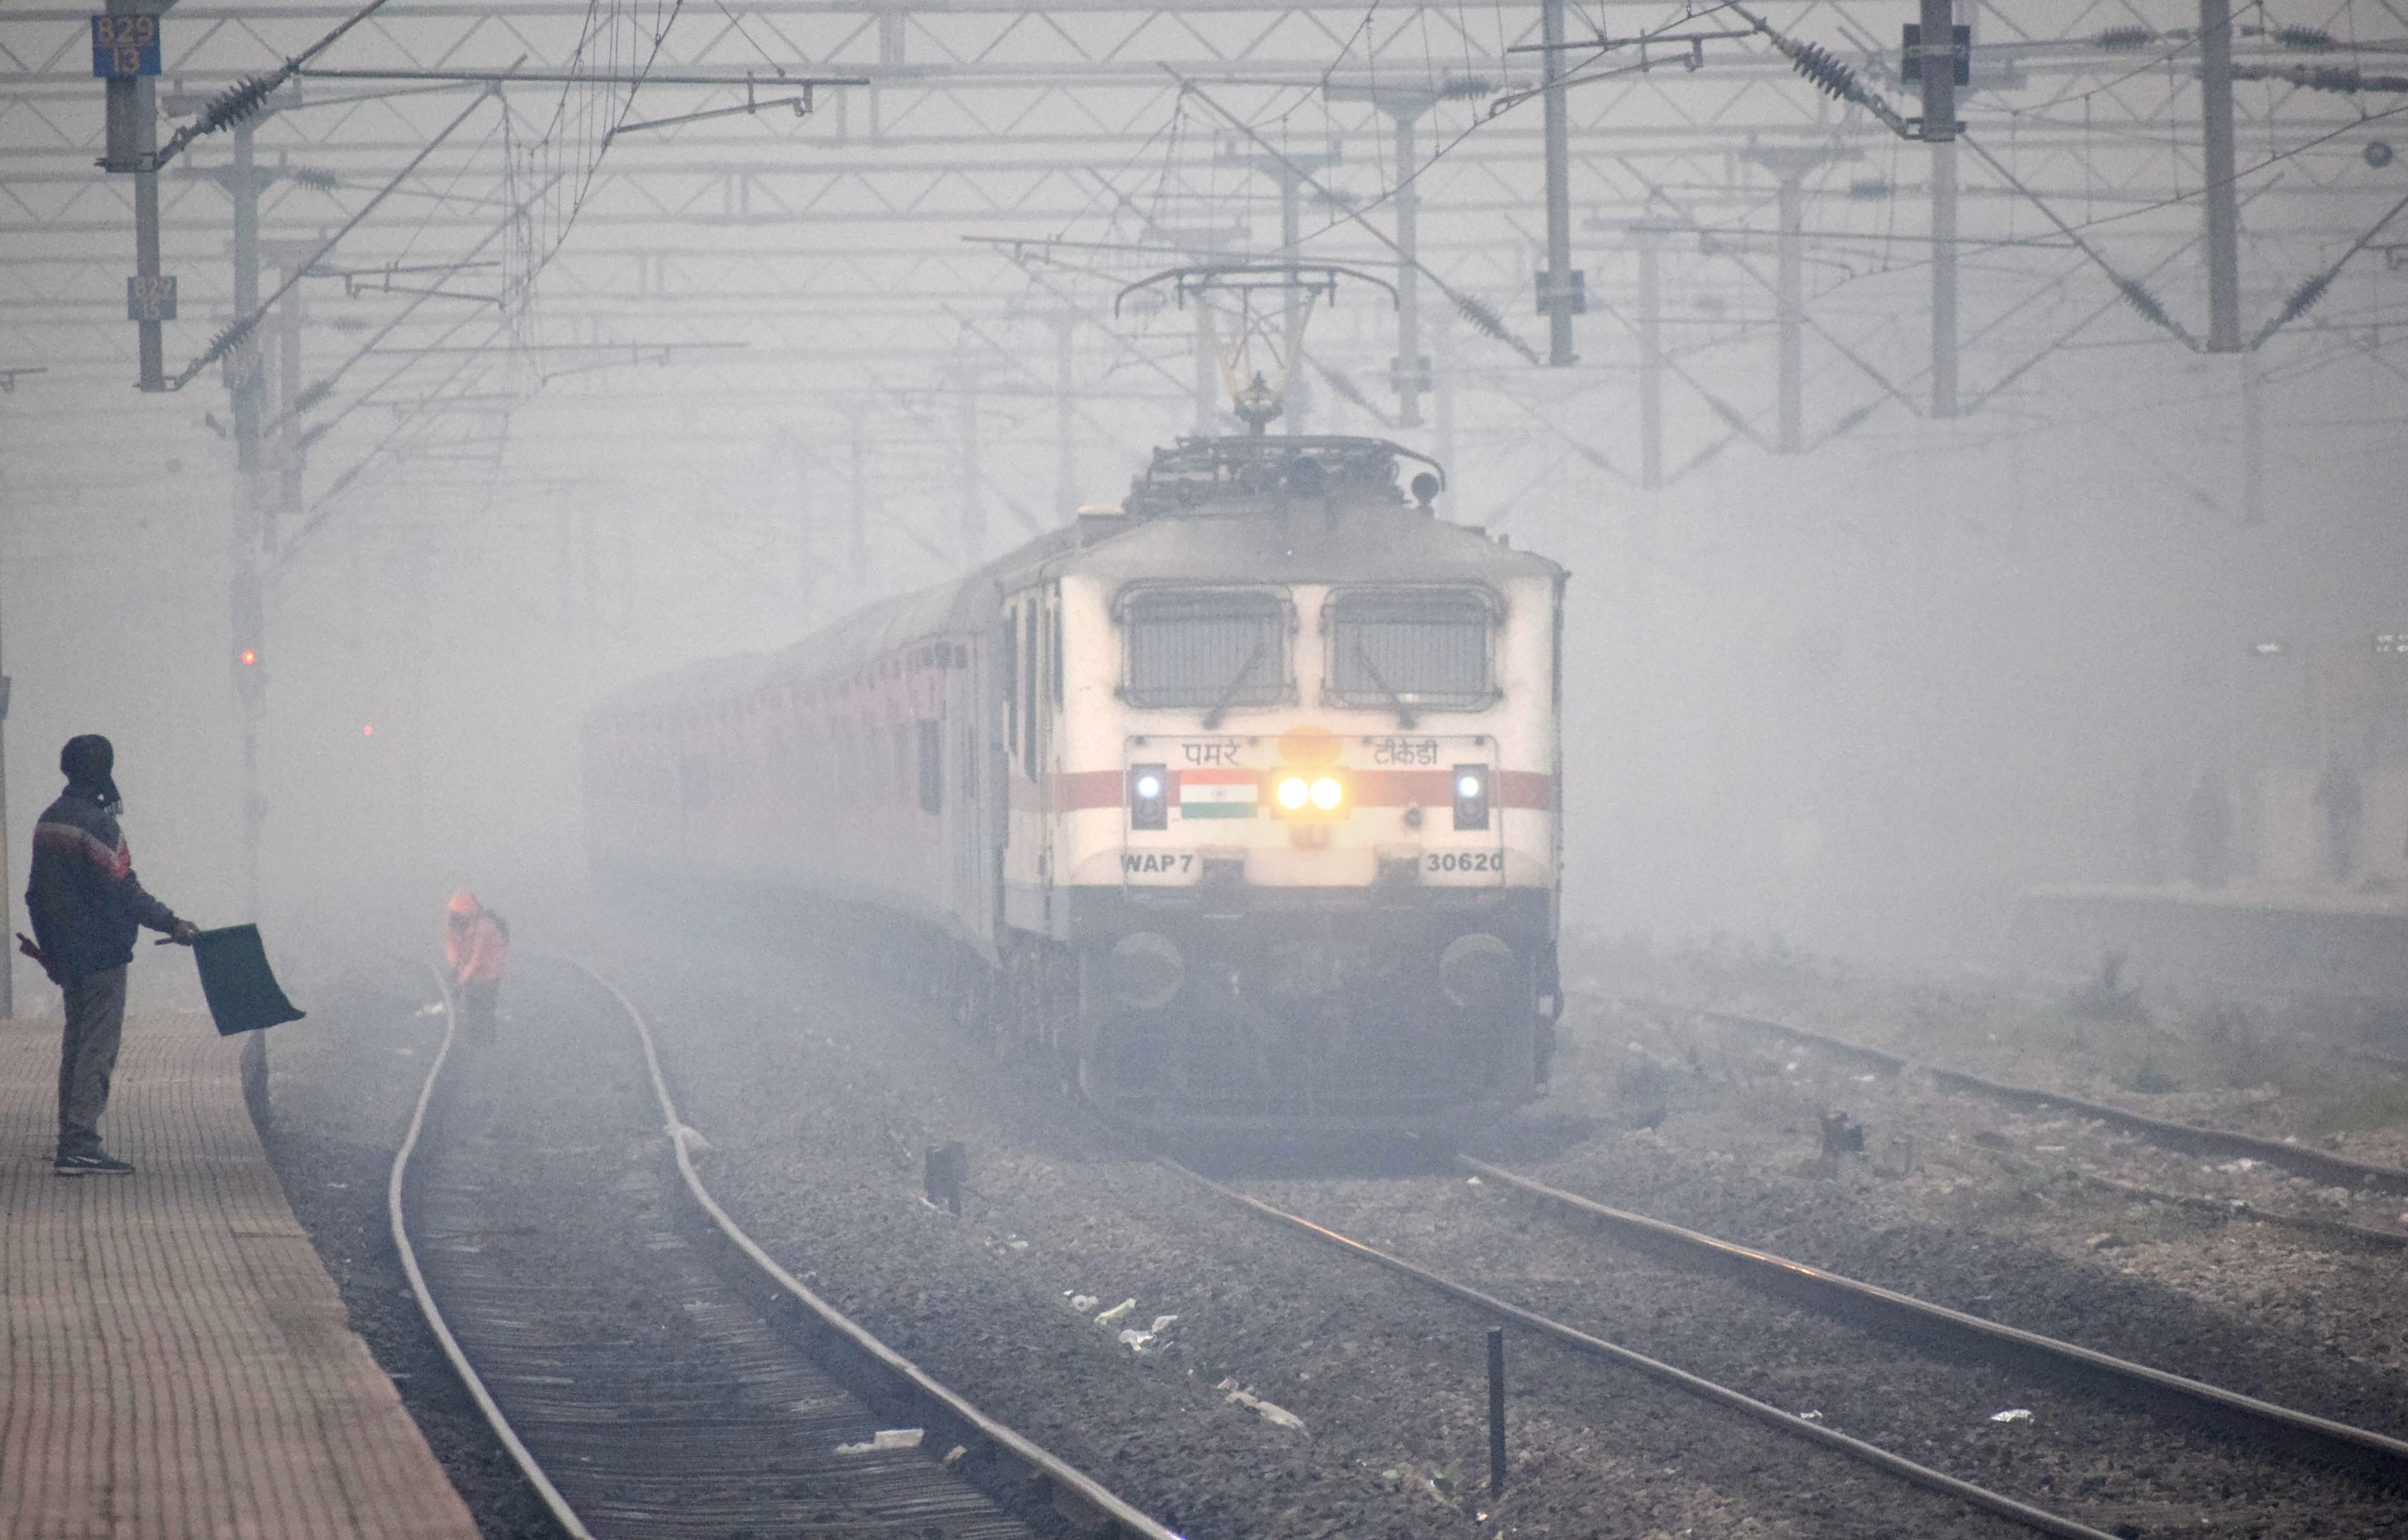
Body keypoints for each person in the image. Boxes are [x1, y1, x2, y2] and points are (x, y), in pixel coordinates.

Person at [24, 735, 197, 1176]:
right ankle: (80, 1144)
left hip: (67, 956)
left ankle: (71, 1137)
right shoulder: (97, 826)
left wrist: (52, 953)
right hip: (101, 956)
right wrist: (172, 923)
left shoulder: (49, 821)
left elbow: (35, 895)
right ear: (102, 771)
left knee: (76, 1045)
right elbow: (125, 891)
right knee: (98, 1049)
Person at [444, 890, 509, 1039]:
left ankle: (486, 1039)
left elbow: (478, 958)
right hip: (472, 969)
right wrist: (454, 965)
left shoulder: (484, 928)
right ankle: (475, 1037)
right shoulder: (454, 923)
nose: (454, 918)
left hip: (490, 971)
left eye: (458, 915)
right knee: (472, 1002)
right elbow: (452, 945)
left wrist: (461, 981)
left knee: (485, 1004)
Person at [2314, 752, 2363, 885]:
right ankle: (2339, 872)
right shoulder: (2331, 777)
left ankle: (2343, 872)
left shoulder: (2346, 776)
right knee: (2337, 843)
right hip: (2335, 814)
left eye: (2336, 761)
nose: (2335, 764)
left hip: (2344, 814)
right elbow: (2322, 791)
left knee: (2343, 843)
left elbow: (2354, 794)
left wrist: (2353, 810)